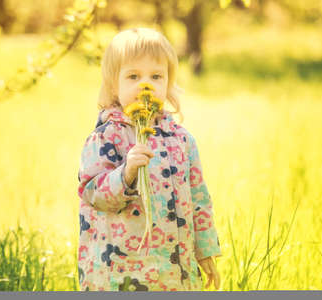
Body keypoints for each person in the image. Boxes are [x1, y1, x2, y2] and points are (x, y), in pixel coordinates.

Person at [77, 27, 222, 291]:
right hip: (121, 271)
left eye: (156, 76)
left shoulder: (182, 140)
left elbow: (199, 197)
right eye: (133, 76)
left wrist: (206, 251)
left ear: (168, 83)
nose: (146, 85)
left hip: (174, 270)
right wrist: (126, 173)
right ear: (113, 84)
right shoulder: (106, 137)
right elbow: (92, 192)